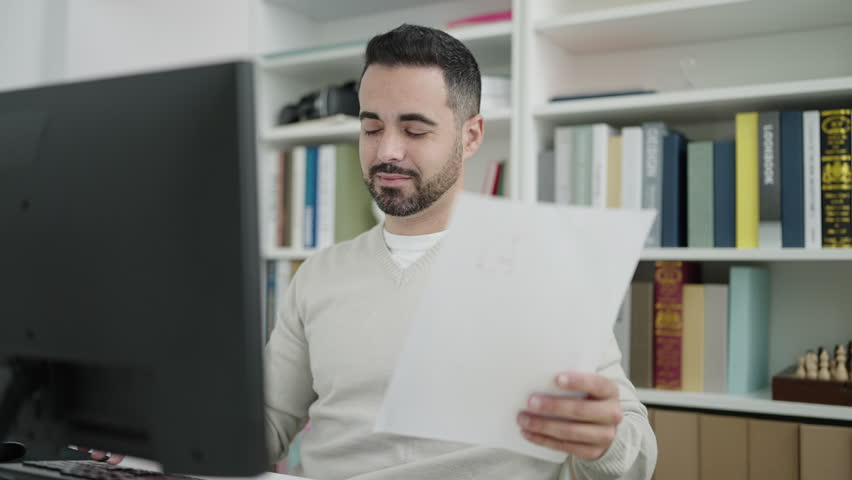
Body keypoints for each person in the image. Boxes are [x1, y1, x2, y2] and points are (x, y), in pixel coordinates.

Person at [90, 23, 658, 479]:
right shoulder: (319, 275)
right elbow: (263, 424)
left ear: (471, 134)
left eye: (414, 130)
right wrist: (153, 437)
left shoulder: (545, 267)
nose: (386, 151)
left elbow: (635, 457)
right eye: (371, 127)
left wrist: (602, 438)